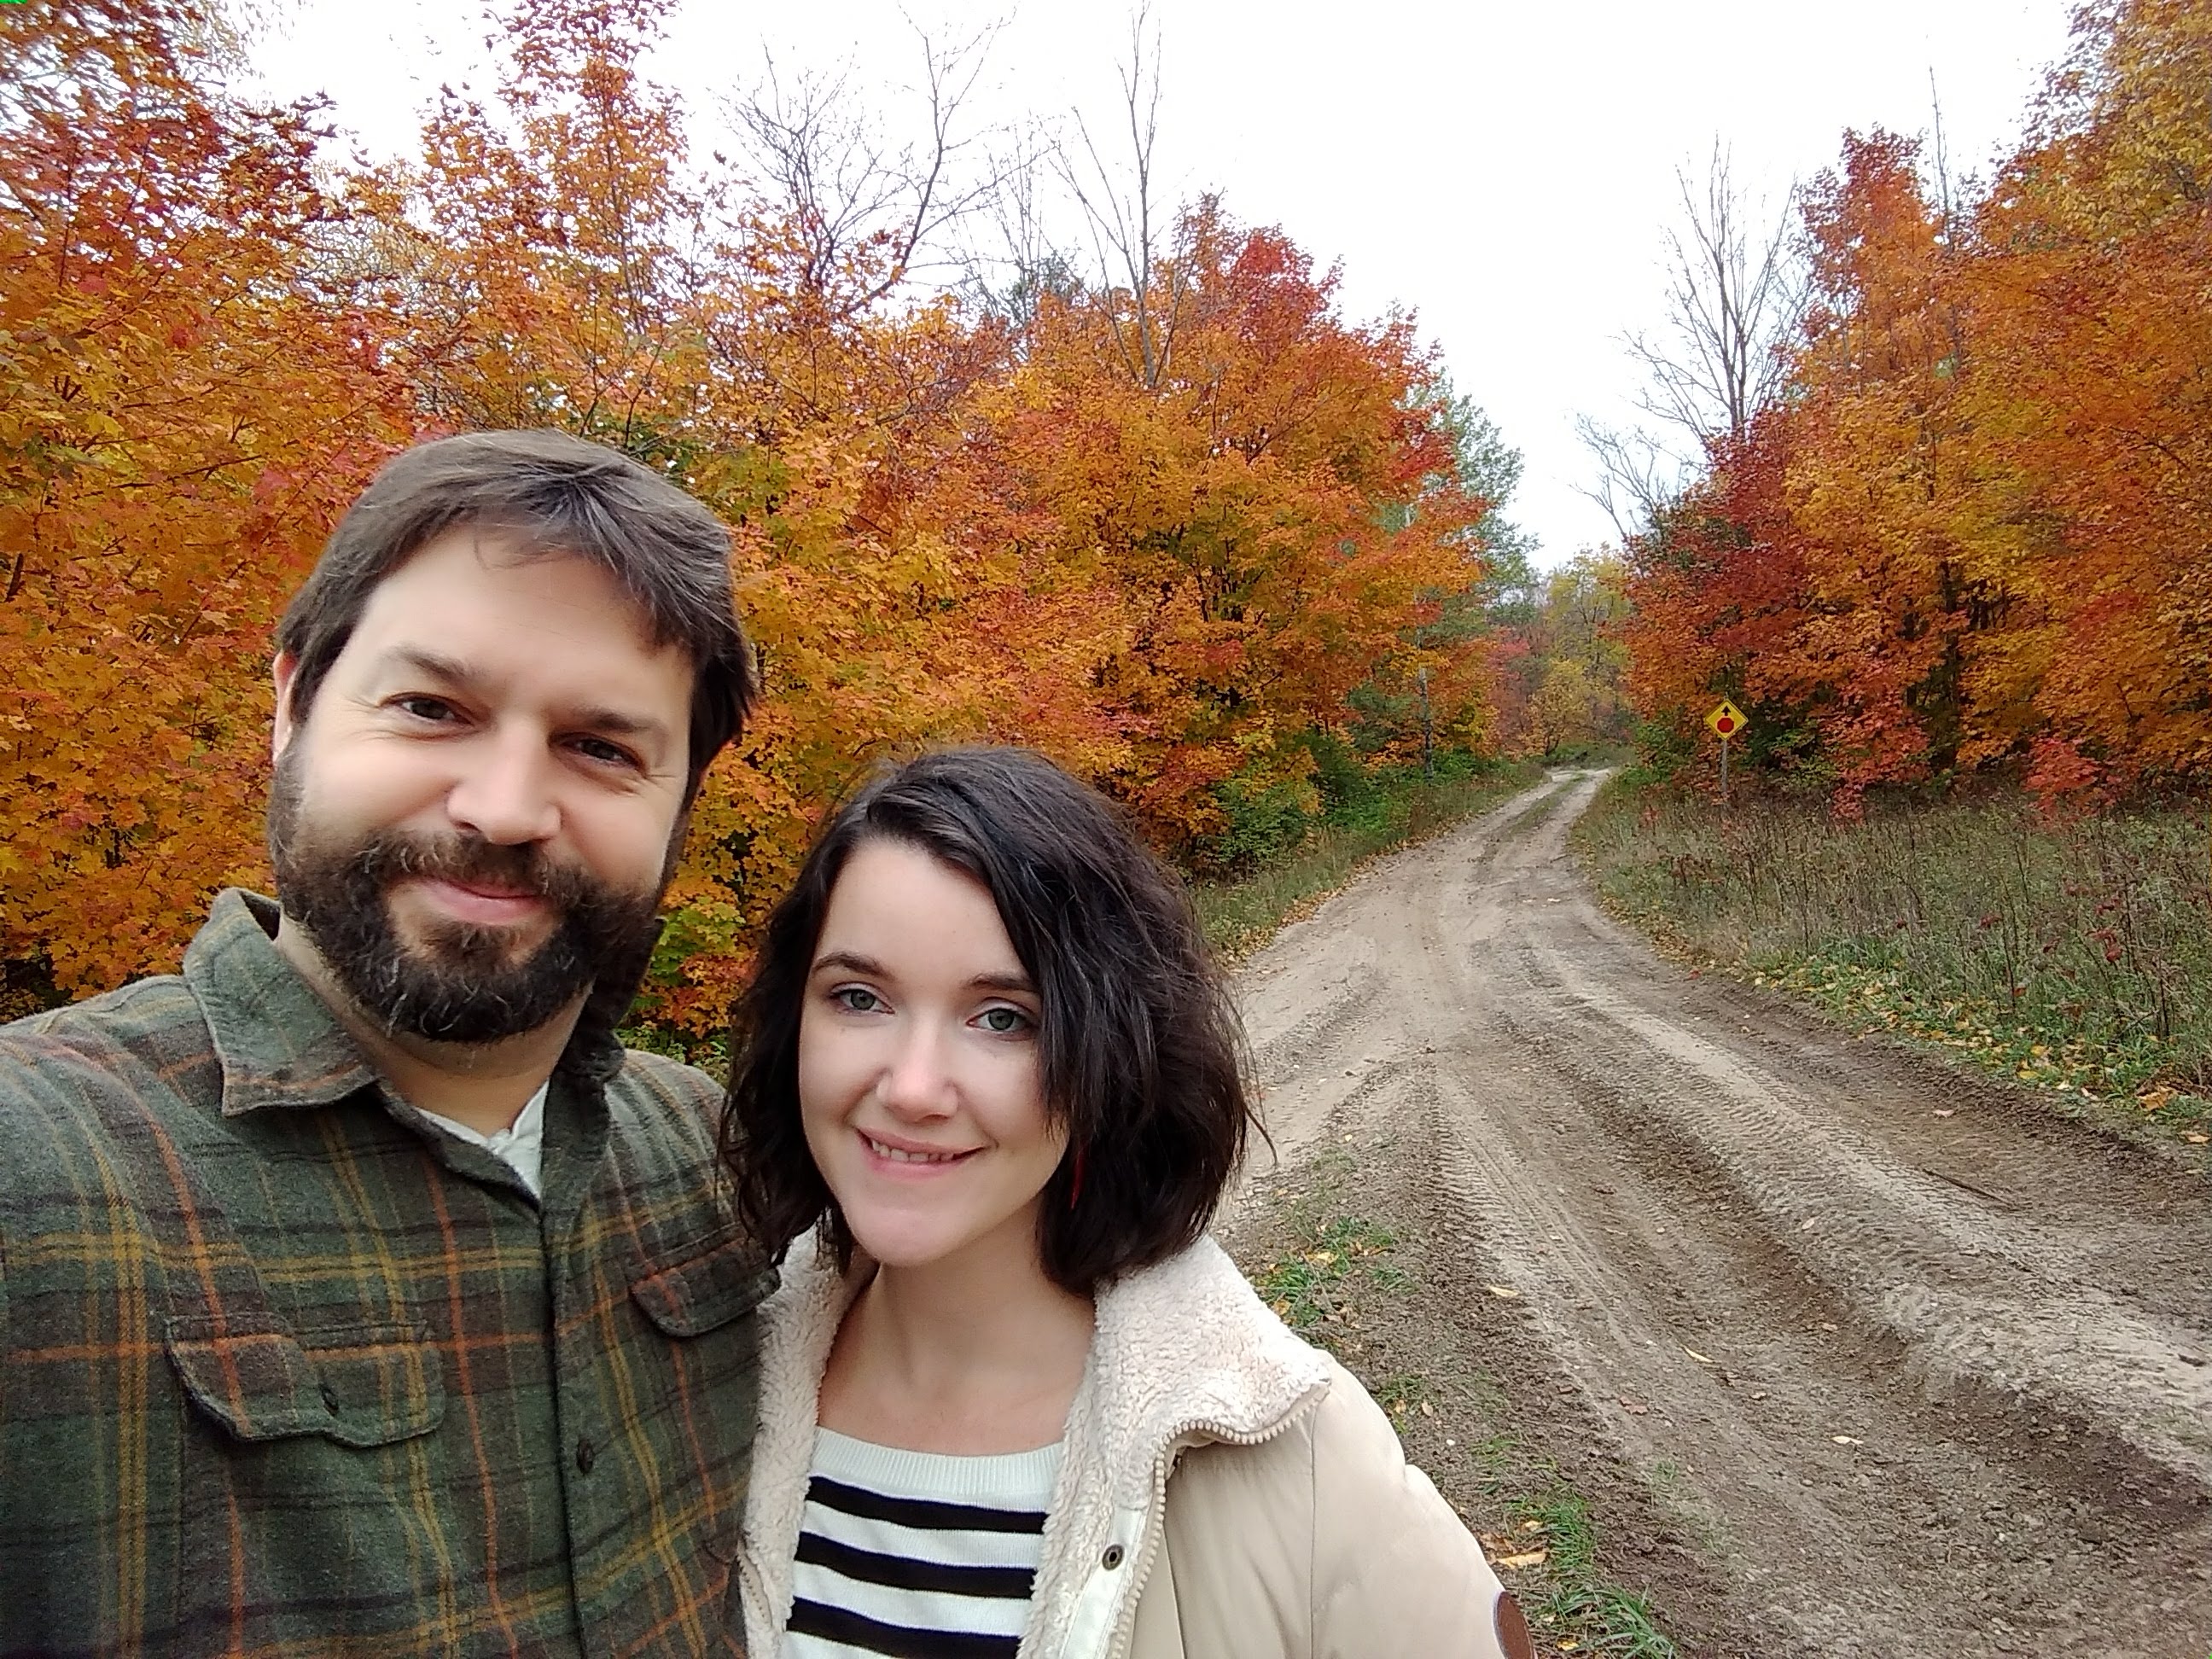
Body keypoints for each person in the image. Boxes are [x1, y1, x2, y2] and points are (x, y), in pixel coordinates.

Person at [0, 430, 773, 1657]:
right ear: (292, 703)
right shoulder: (41, 1172)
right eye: (431, 708)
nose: (506, 807)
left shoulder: (720, 1162)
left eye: (602, 748)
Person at [719, 747, 1534, 1659]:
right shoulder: (698, 1388)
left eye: (1003, 1018)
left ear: (1110, 1050)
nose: (911, 1088)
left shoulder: (1290, 1458)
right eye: (859, 997)